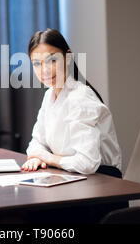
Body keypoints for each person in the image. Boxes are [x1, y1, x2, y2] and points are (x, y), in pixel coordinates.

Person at [22, 28, 122, 176]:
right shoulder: (49, 95)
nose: (45, 70)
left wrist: (48, 158)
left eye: (52, 60)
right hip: (72, 176)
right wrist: (37, 157)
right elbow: (35, 143)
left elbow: (87, 163)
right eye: (37, 64)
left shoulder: (80, 97)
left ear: (67, 58)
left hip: (103, 181)